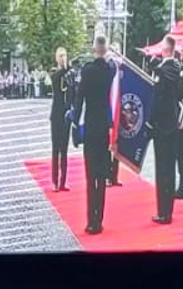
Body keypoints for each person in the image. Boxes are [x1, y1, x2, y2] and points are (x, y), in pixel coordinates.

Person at [71, 36, 117, 234]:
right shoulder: (109, 70)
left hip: (90, 128)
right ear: (104, 49)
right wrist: (109, 55)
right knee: (101, 174)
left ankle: (92, 222)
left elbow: (79, 98)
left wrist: (74, 123)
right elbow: (113, 65)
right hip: (104, 129)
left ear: (93, 49)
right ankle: (100, 218)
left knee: (91, 177)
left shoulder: (87, 70)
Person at [149, 36, 183, 225]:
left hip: (167, 126)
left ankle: (166, 212)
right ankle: (162, 210)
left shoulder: (172, 67)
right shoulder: (163, 67)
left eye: (162, 47)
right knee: (161, 169)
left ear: (167, 49)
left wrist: (155, 63)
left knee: (167, 170)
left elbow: (166, 79)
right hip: (161, 125)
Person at [48, 48, 74, 192]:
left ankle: (63, 181)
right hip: (56, 115)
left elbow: (73, 89)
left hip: (66, 115)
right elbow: (56, 79)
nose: (63, 58)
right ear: (57, 58)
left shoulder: (70, 74)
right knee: (55, 149)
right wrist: (65, 68)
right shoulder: (55, 72)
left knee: (64, 150)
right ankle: (55, 181)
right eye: (60, 56)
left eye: (65, 55)